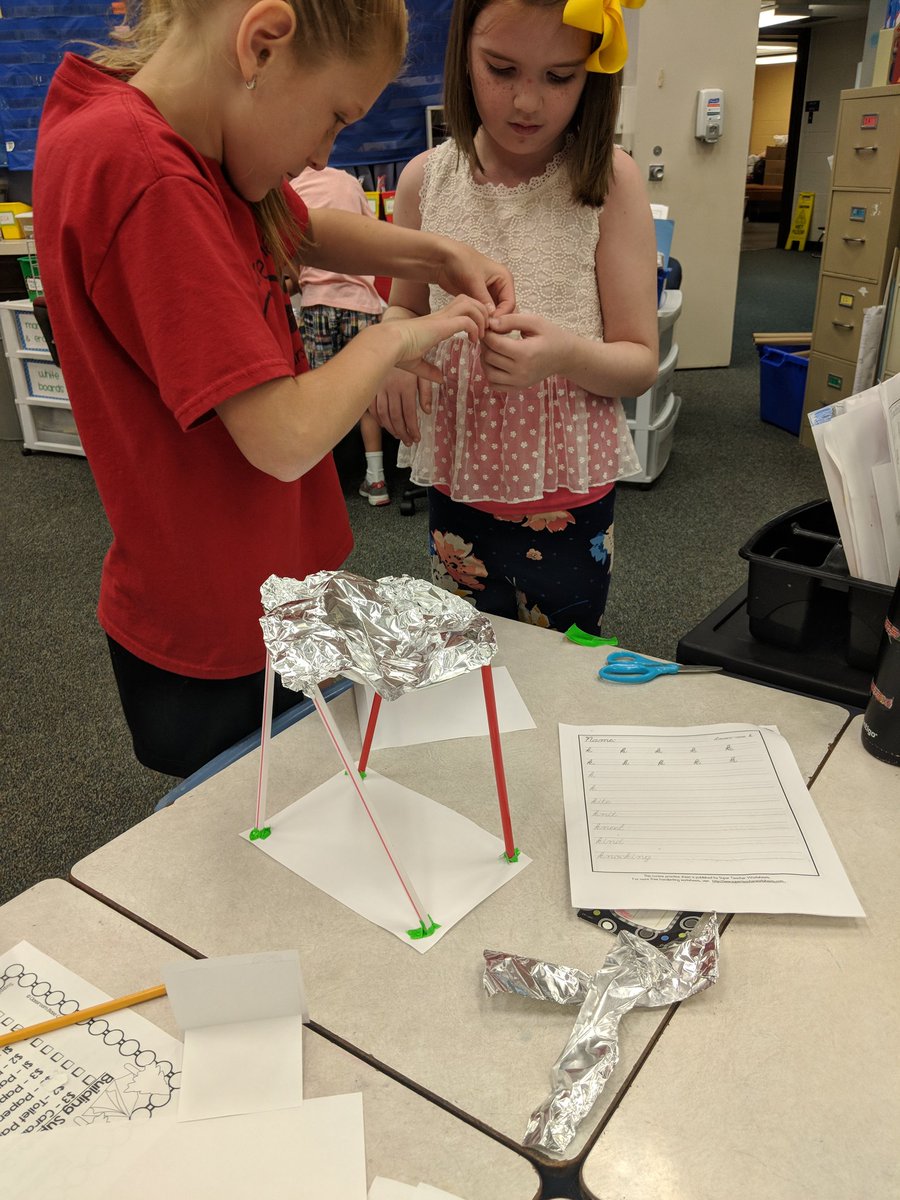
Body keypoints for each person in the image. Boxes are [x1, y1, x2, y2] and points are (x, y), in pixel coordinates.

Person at [32, 0, 515, 779]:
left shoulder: (179, 135)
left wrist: (435, 255)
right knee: (252, 845)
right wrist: (394, 336)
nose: (326, 151)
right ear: (260, 45)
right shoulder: (148, 173)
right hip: (217, 632)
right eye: (332, 117)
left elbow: (302, 228)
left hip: (262, 594)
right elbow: (284, 438)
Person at [374, 0, 658, 633]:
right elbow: (404, 303)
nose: (527, 103)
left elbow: (639, 361)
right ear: (463, 56)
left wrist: (564, 355)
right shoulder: (426, 180)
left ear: (593, 76)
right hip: (458, 484)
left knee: (563, 669)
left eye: (560, 77)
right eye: (501, 68)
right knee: (463, 660)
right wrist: (393, 346)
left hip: (567, 499)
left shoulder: (611, 181)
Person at [290, 166, 391, 506]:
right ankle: (377, 480)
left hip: (318, 304)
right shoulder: (350, 183)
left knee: (319, 395)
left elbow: (287, 255)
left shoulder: (292, 189)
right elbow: (374, 238)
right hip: (361, 303)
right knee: (364, 393)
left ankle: (324, 487)